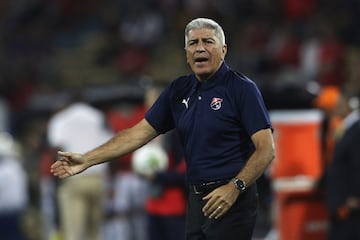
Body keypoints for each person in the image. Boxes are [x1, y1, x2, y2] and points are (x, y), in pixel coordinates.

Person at [51, 18, 275, 240]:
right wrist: (88, 159)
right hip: (196, 198)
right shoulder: (179, 90)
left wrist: (235, 187)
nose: (200, 48)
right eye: (193, 43)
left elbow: (266, 149)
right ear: (186, 52)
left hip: (231, 198)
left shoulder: (242, 89)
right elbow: (136, 135)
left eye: (208, 41)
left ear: (223, 50)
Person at [47, 96, 113, 240]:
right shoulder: (98, 116)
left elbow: (56, 148)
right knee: (95, 233)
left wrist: (57, 178)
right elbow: (111, 145)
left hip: (74, 178)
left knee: (73, 233)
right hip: (98, 178)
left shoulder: (61, 118)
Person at [325, 91, 360, 240]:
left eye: (340, 101)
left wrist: (356, 195)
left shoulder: (356, 129)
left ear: (349, 103)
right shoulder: (346, 127)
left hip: (349, 203)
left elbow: (357, 163)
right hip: (341, 201)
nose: (336, 106)